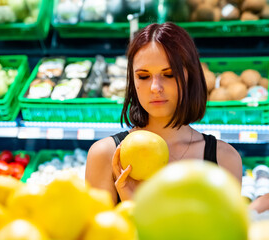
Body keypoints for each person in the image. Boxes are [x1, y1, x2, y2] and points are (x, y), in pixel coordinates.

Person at [85, 22, 242, 204]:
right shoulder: (104, 156)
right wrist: (130, 201)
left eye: (169, 74)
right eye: (143, 76)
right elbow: (101, 232)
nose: (155, 88)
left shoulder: (225, 159)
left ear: (190, 76)